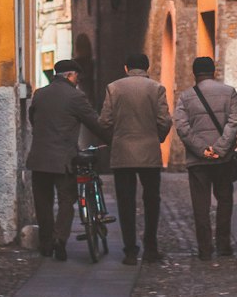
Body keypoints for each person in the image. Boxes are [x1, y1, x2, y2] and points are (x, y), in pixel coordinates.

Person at [26, 59, 108, 260]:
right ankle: (59, 239)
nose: (77, 81)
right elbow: (94, 123)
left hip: (39, 158)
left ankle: (46, 244)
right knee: (66, 200)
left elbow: (32, 118)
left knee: (43, 202)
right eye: (76, 77)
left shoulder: (40, 94)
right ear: (71, 76)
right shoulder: (75, 96)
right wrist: (112, 140)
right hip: (64, 159)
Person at [100, 53, 172, 264]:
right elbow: (164, 120)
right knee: (151, 200)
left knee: (125, 201)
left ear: (126, 68)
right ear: (147, 68)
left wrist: (115, 137)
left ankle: (130, 251)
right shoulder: (156, 88)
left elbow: (105, 121)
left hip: (123, 151)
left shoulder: (113, 88)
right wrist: (156, 137)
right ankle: (151, 247)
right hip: (149, 151)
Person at [174, 56, 237, 261]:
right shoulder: (229, 92)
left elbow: (182, 127)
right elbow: (234, 121)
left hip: (198, 161)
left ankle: (204, 248)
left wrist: (202, 149)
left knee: (200, 204)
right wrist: (220, 148)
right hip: (224, 159)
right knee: (225, 200)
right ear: (214, 71)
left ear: (195, 73)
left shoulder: (185, 97)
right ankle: (223, 245)